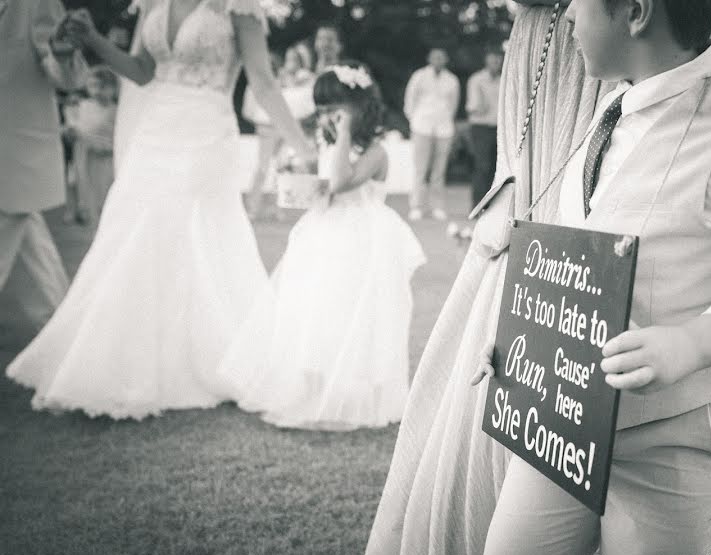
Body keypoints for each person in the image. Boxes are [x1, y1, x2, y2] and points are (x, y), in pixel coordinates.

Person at [360, 1, 711, 555]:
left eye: (578, 0)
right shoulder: (605, 113)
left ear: (635, 13)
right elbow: (573, 257)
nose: (568, 15)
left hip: (670, 441)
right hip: (566, 421)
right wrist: (523, 341)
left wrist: (691, 342)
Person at [5, 0, 308, 420]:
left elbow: (262, 80)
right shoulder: (152, 2)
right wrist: (92, 39)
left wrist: (303, 148)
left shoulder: (239, 7)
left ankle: (211, 356)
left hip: (206, 129)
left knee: (197, 238)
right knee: (133, 234)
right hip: (155, 130)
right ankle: (126, 359)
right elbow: (141, 71)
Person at [218, 63, 426, 430]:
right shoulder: (327, 143)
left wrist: (344, 133)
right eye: (324, 110)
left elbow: (342, 181)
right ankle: (313, 388)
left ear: (360, 107)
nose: (329, 117)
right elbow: (322, 189)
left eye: (337, 109)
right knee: (315, 307)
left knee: (358, 312)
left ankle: (361, 392)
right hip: (322, 234)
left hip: (363, 237)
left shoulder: (377, 151)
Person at [0, 0, 85, 330]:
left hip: (17, 149)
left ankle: (65, 336)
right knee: (37, 257)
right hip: (13, 164)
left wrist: (61, 55)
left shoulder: (37, 2)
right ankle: (66, 337)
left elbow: (66, 75)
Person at [243, 45, 317, 220]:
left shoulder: (296, 79)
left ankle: (275, 207)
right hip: (267, 127)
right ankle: (252, 208)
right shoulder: (273, 80)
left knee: (281, 168)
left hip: (282, 127)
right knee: (262, 167)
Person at [404, 47, 461, 222]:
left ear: (446, 60)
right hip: (421, 126)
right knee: (420, 169)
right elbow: (409, 100)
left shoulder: (452, 80)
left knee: (439, 170)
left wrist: (445, 121)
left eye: (441, 57)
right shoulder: (419, 76)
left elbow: (453, 105)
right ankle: (416, 206)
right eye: (435, 57)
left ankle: (437, 207)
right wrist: (414, 120)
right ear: (429, 58)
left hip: (443, 128)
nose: (438, 60)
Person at [63, 66, 118, 226]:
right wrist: (71, 132)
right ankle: (80, 211)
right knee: (81, 188)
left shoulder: (115, 111)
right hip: (83, 156)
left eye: (102, 86)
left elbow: (114, 138)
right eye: (92, 86)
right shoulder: (83, 106)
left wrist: (102, 145)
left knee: (104, 199)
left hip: (104, 160)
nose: (96, 91)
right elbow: (74, 126)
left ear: (112, 88)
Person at [467, 46, 504, 209]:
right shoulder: (477, 80)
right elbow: (474, 107)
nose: (495, 63)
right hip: (481, 127)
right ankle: (477, 205)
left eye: (498, 59)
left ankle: (491, 205)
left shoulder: (504, 79)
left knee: (496, 167)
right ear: (486, 61)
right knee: (482, 166)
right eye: (492, 59)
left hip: (499, 127)